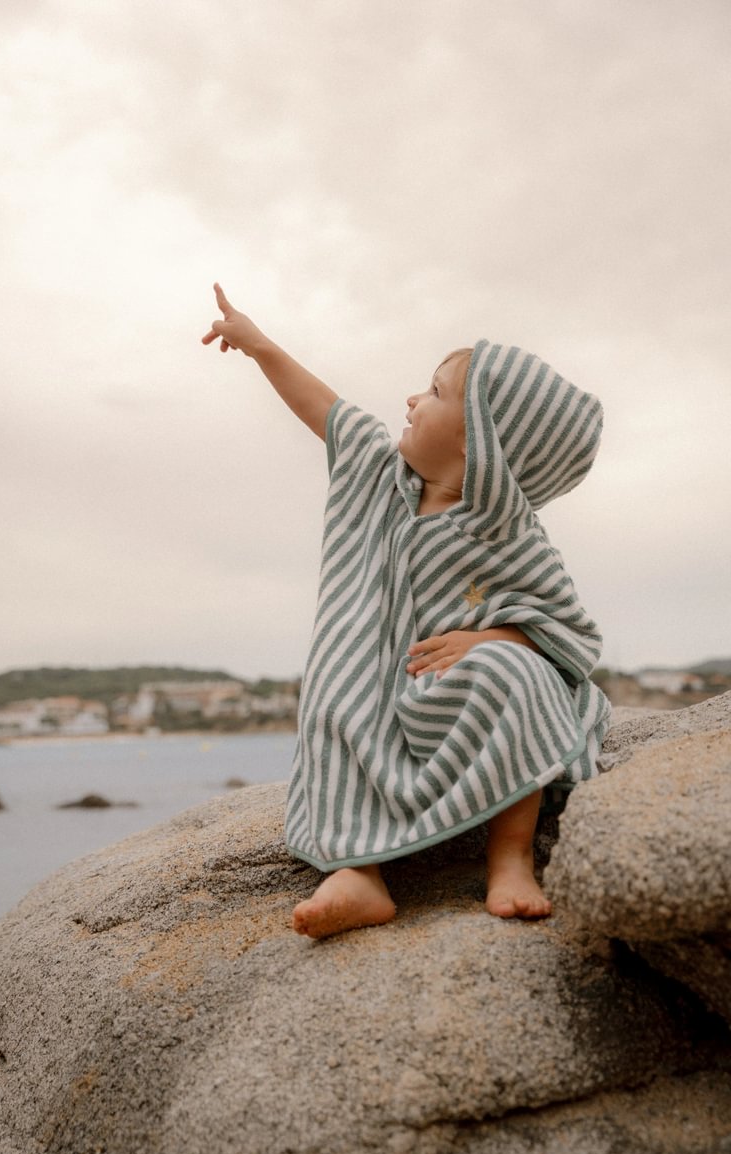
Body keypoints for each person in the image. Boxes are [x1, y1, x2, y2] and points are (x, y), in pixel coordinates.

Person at [203, 283, 610, 939]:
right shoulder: (383, 476)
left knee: (524, 676)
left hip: (461, 703)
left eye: (436, 394)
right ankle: (357, 872)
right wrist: (258, 344)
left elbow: (568, 633)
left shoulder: (507, 536)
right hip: (384, 696)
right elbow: (328, 412)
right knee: (334, 695)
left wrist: (496, 639)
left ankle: (509, 859)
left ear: (480, 448)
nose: (412, 401)